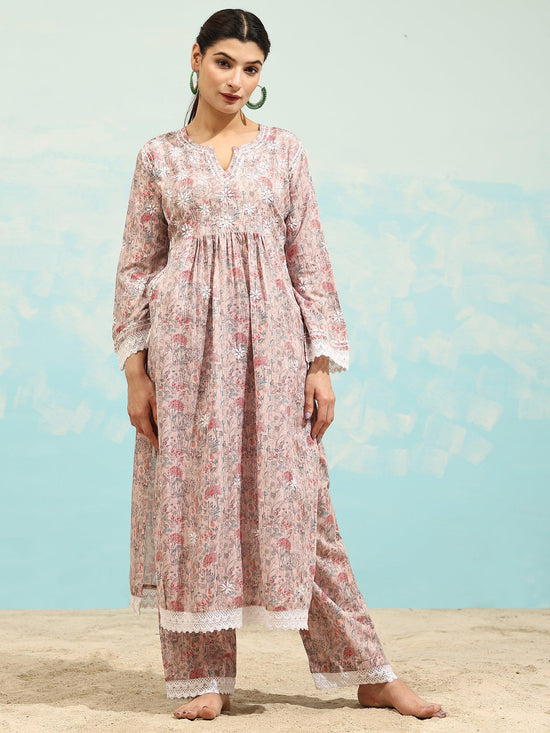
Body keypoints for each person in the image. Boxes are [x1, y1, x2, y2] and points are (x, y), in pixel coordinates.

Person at [112, 8, 447, 723]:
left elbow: (309, 261)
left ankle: (366, 670)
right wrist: (136, 373)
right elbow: (137, 267)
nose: (235, 79)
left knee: (303, 510)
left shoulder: (285, 152)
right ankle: (202, 678)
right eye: (224, 62)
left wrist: (321, 363)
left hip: (274, 354)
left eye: (251, 68)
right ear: (196, 58)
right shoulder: (159, 157)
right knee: (192, 508)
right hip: (184, 358)